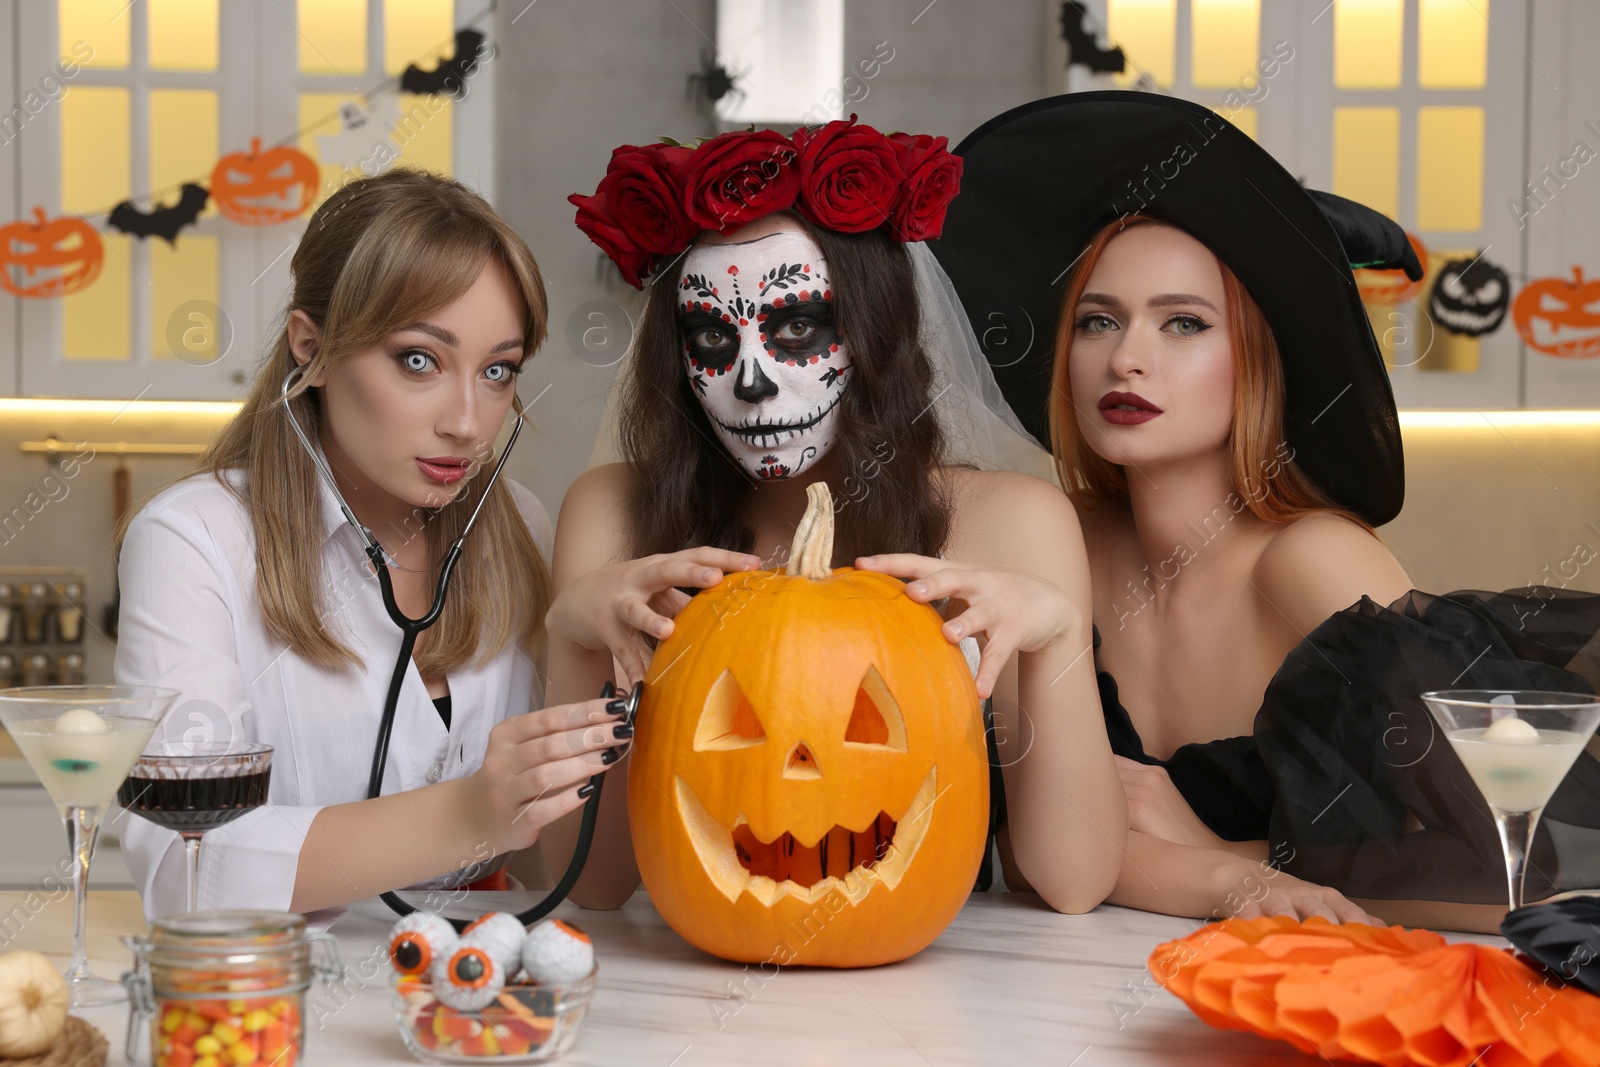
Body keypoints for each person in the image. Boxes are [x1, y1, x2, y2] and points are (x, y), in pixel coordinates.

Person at [934, 91, 1600, 932]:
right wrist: (1225, 878)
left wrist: (1239, 852)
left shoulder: (1308, 561)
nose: (1127, 359)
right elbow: (1044, 864)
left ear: (1255, 361)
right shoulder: (1045, 537)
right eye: (1098, 321)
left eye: (1183, 323)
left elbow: (1526, 862)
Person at [543, 119, 1128, 914]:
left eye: (795, 327)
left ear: (875, 329)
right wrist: (572, 643)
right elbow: (593, 886)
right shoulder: (612, 511)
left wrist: (1057, 635)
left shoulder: (1014, 522)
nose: (750, 381)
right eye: (712, 336)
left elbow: (1075, 880)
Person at [116, 169, 628, 920]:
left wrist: (584, 658)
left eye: (498, 371)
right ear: (311, 349)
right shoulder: (193, 539)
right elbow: (180, 862)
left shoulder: (521, 525)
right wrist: (464, 816)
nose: (467, 420)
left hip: (479, 1006)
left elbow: (562, 867)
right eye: (419, 359)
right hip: (281, 1011)